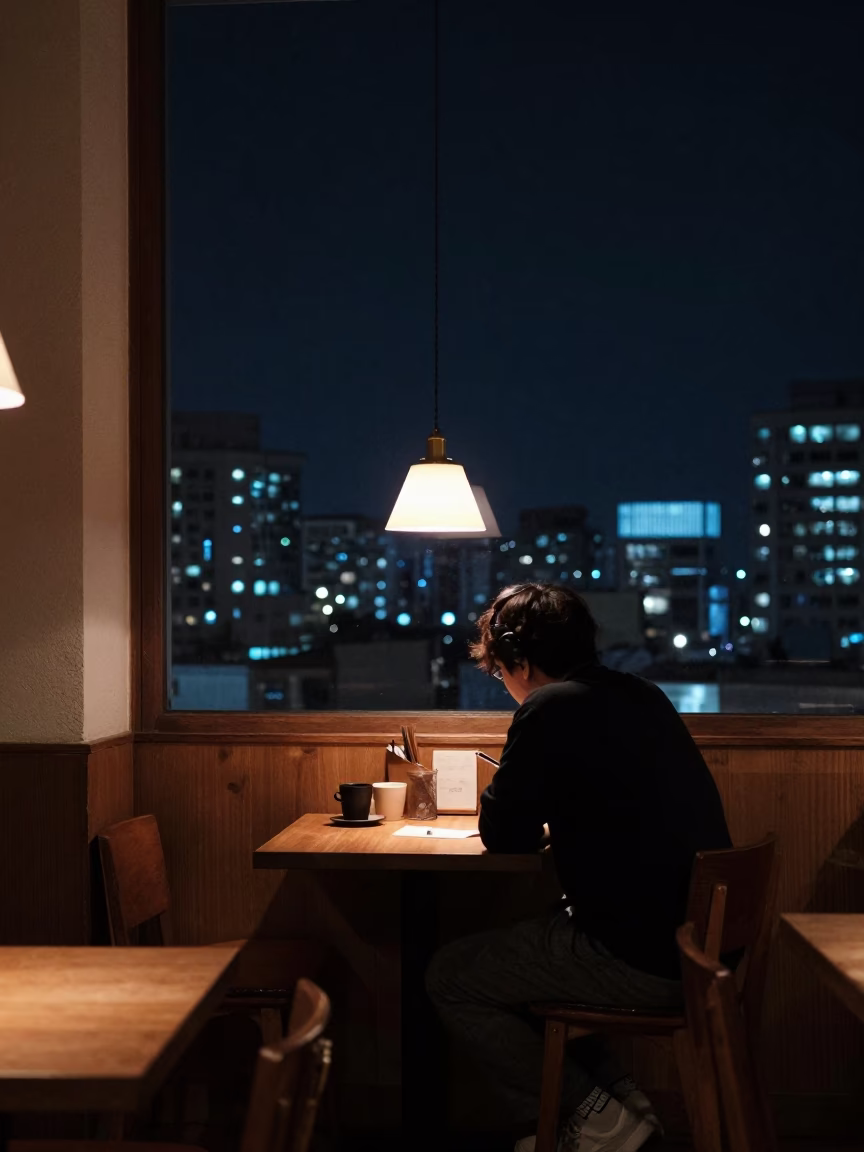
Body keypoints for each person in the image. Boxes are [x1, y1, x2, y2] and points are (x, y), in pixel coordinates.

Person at [426, 582, 733, 1152]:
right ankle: (625, 1104)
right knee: (542, 944)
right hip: (697, 946)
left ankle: (595, 1121)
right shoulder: (641, 693)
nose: (505, 686)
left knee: (451, 975)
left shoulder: (551, 705)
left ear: (519, 658)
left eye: (500, 673)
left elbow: (503, 831)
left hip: (643, 957)